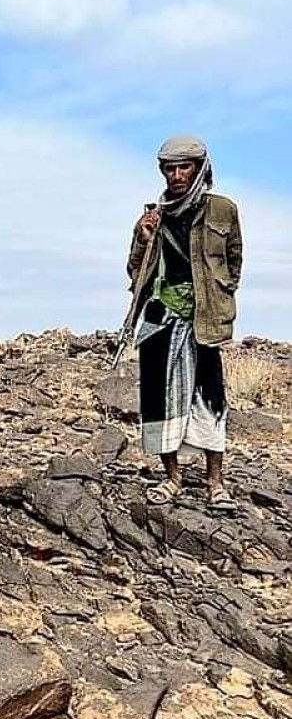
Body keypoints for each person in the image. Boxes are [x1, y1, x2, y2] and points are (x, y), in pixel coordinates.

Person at [126, 136, 243, 513]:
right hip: (161, 319)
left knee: (210, 397)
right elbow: (134, 270)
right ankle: (172, 478)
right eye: (169, 168)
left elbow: (234, 261)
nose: (176, 175)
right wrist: (145, 239)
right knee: (160, 400)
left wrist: (217, 296)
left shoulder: (223, 210)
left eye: (184, 167)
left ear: (200, 168)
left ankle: (216, 483)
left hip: (203, 319)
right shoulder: (152, 217)